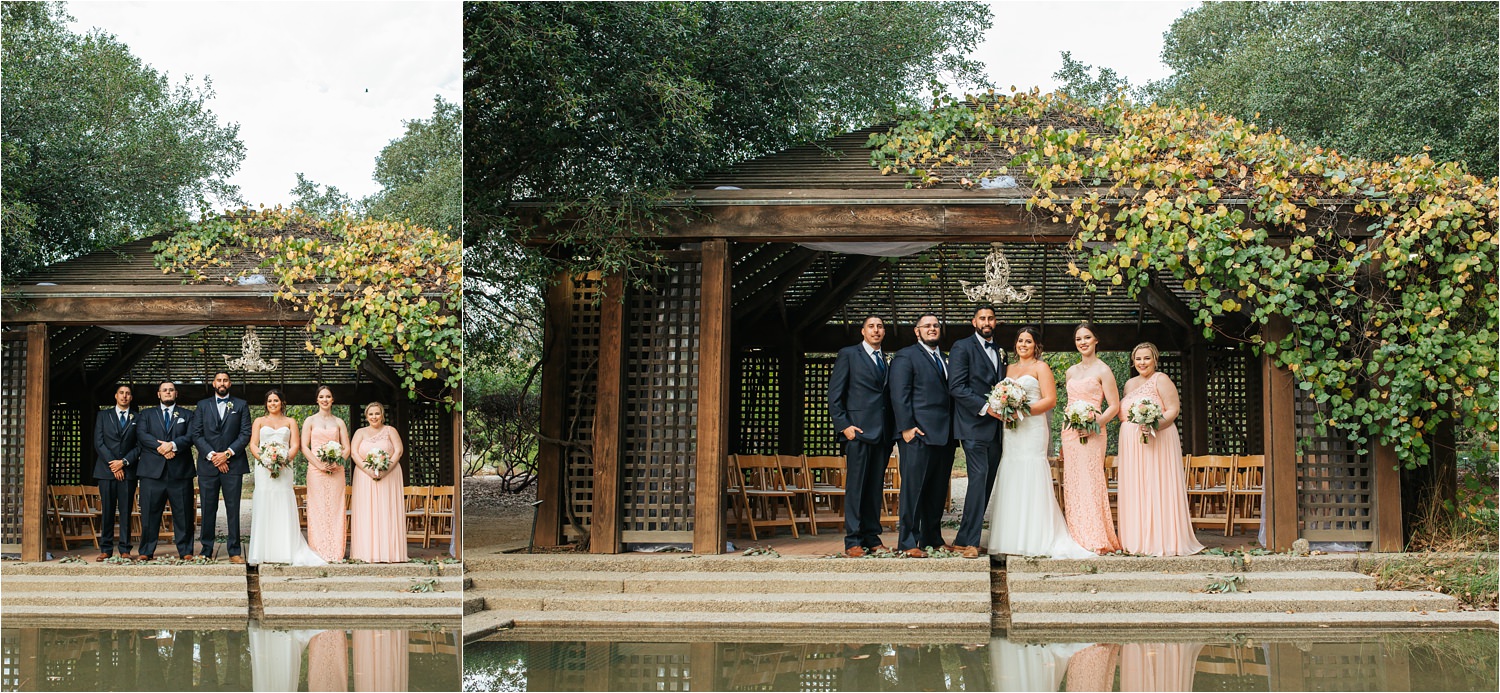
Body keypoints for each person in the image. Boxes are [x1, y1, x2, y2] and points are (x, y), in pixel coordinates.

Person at [985, 326, 1093, 559]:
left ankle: (1036, 537)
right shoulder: (1008, 368)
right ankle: (1011, 538)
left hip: (1032, 428)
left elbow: (1050, 400)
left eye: (1029, 341)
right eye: (1020, 340)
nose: (1023, 345)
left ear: (1036, 346)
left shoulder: (1041, 367)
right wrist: (1004, 408)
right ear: (1016, 344)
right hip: (1011, 431)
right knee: (1012, 471)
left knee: (1032, 471)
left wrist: (1021, 411)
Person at [1117, 342, 1204, 556]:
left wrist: (1154, 424)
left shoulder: (1161, 379)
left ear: (1155, 359)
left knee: (1157, 485)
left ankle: (1163, 540)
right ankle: (1138, 540)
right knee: (1137, 488)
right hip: (1132, 445)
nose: (1142, 363)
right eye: (1138, 359)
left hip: (1159, 440)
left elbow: (1173, 409)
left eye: (1147, 358)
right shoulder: (1129, 384)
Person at [888, 313, 956, 557]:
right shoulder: (906, 356)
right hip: (917, 434)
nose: (932, 329)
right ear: (917, 331)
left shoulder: (946, 360)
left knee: (937, 490)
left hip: (945, 435)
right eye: (927, 326)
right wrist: (906, 427)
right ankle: (907, 542)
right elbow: (899, 393)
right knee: (914, 490)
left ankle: (932, 537)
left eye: (936, 325)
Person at [827, 315, 896, 557]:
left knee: (875, 488)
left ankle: (872, 537)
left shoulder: (886, 360)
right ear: (863, 332)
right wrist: (844, 425)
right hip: (857, 432)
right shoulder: (849, 354)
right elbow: (835, 395)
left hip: (882, 435)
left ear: (884, 332)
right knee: (856, 488)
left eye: (879, 327)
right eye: (871, 327)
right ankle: (853, 540)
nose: (876, 330)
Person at [946, 305, 1006, 559]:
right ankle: (972, 542)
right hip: (972, 425)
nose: (986, 321)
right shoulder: (962, 347)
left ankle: (962, 538)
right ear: (974, 322)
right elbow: (956, 387)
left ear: (995, 321)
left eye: (990, 318)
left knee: (987, 482)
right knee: (978, 478)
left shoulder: (1001, 352)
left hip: (996, 430)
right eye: (982, 318)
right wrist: (986, 408)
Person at [1061, 322, 1124, 554]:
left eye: (1087, 337)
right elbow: (1068, 403)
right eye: (1079, 339)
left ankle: (1096, 537)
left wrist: (1095, 424)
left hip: (1094, 431)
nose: (1083, 342)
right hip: (1070, 432)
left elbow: (1114, 406)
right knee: (1074, 482)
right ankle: (1077, 535)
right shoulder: (1070, 371)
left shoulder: (1103, 370)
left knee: (1091, 480)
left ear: (1096, 340)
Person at [246, 390, 326, 566]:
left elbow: (295, 445)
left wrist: (283, 460)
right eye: (270, 401)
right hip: (264, 469)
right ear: (266, 403)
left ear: (282, 402)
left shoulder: (290, 422)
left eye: (276, 400)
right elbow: (253, 444)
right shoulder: (259, 421)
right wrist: (265, 459)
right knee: (265, 501)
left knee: (283, 501)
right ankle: (263, 550)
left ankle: (285, 549)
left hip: (284, 468)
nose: (273, 403)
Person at [191, 371, 252, 563]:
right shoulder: (202, 405)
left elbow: (245, 434)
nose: (222, 382)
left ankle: (234, 551)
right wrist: (213, 456)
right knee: (208, 508)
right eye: (219, 380)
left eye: (225, 380)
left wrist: (226, 455)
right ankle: (206, 549)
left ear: (230, 383)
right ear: (213, 383)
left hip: (233, 465)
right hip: (208, 466)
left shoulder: (241, 405)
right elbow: (196, 434)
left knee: (233, 508)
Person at [135, 380, 195, 561]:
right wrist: (161, 448)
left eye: (171, 390)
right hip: (152, 472)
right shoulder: (146, 414)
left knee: (183, 513)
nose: (168, 392)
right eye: (164, 390)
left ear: (176, 394)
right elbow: (142, 435)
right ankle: (146, 551)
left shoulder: (187, 415)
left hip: (180, 472)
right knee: (149, 514)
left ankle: (185, 551)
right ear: (158, 394)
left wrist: (173, 445)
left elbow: (191, 436)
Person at [350, 401, 407, 563]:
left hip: (389, 475)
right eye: (371, 414)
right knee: (367, 511)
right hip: (364, 476)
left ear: (382, 415)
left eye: (377, 413)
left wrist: (385, 470)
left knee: (386, 509)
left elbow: (398, 451)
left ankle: (390, 553)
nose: (374, 417)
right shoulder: (360, 432)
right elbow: (354, 453)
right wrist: (368, 470)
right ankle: (366, 552)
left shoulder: (390, 431)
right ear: (366, 416)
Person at [301, 385, 350, 562]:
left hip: (336, 471)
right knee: (318, 508)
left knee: (336, 508)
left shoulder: (339, 422)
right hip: (316, 471)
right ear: (317, 400)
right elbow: (304, 447)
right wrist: (319, 465)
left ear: (332, 399)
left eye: (328, 396)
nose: (325, 400)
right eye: (321, 397)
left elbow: (347, 447)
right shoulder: (310, 421)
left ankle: (336, 551)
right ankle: (318, 550)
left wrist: (336, 461)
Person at [93, 384, 140, 560]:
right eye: (121, 393)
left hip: (128, 471)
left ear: (131, 398)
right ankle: (105, 549)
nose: (124, 396)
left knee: (126, 511)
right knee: (107, 510)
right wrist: (114, 464)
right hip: (106, 471)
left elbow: (139, 445)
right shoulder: (103, 415)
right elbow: (99, 443)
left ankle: (125, 549)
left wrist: (124, 462)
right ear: (116, 396)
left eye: (128, 394)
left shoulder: (138, 417)